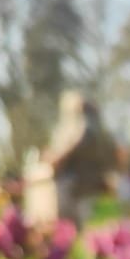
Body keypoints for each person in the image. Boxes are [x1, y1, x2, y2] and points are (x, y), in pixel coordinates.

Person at [43, 91, 117, 226]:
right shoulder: (98, 131)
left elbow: (76, 144)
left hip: (78, 182)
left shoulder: (85, 128)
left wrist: (56, 157)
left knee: (74, 222)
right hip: (87, 184)